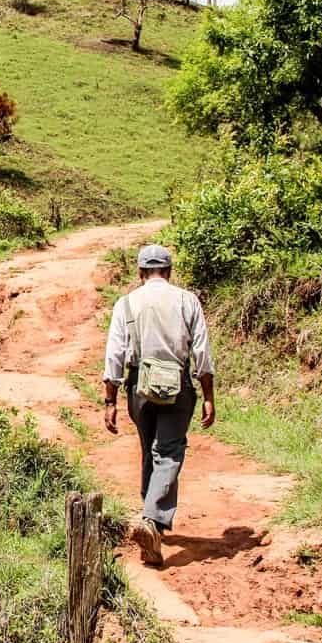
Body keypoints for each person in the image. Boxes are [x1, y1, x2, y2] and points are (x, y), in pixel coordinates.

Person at [102, 243, 215, 568]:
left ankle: (151, 527)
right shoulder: (186, 300)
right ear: (168, 271)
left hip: (139, 384)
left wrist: (110, 400)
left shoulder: (126, 303)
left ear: (140, 272)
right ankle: (152, 520)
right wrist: (208, 395)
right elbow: (202, 354)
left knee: (150, 448)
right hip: (176, 383)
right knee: (168, 451)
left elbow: (115, 354)